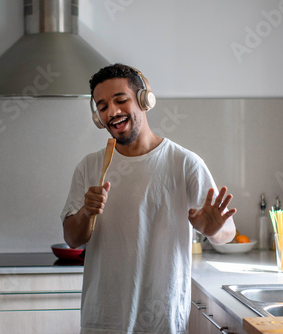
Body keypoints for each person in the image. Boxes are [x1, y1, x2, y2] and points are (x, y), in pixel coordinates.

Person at [61, 63, 236, 334]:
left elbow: (227, 233)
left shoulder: (184, 163)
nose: (112, 112)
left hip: (162, 322)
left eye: (121, 100)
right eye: (103, 106)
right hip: (103, 322)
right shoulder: (90, 167)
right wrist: (85, 212)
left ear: (144, 100)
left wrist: (214, 229)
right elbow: (72, 238)